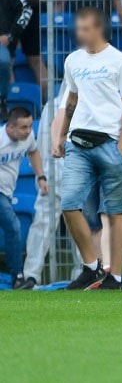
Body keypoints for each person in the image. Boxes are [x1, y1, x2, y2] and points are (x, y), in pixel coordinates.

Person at [56, 6, 122, 290]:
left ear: (97, 28)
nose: (78, 33)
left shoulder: (121, 61)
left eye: (84, 28)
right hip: (77, 142)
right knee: (69, 203)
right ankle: (92, 266)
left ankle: (115, 277)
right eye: (77, 28)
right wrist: (60, 136)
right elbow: (71, 99)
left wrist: (121, 144)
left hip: (110, 143)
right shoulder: (72, 60)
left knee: (116, 212)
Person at [0, 107, 47, 289]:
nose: (28, 131)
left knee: (11, 228)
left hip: (7, 191)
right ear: (10, 128)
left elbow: (33, 152)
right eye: (23, 128)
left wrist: (41, 176)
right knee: (13, 226)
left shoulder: (28, 138)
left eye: (29, 126)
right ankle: (18, 277)